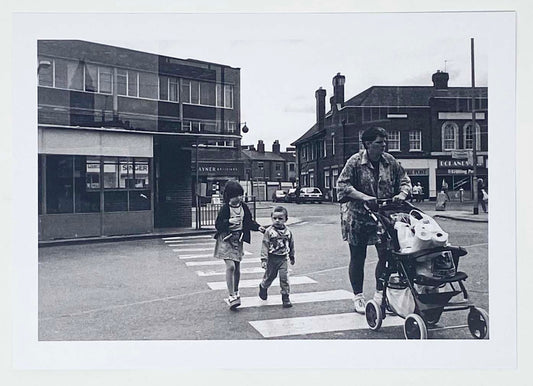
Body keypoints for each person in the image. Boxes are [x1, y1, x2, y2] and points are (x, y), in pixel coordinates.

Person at [336, 126, 411, 314]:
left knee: (387, 256)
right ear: (368, 144)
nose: (384, 145)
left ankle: (380, 295)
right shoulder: (354, 162)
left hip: (384, 217)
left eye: (385, 142)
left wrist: (402, 194)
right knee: (358, 257)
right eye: (379, 142)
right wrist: (363, 197)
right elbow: (342, 185)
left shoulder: (390, 161)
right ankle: (358, 297)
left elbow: (404, 180)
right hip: (358, 216)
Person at [213, 180, 265, 309]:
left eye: (241, 195)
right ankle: (231, 295)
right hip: (226, 239)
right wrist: (228, 221)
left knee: (237, 267)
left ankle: (236, 292)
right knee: (230, 266)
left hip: (238, 239)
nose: (240, 198)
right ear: (230, 196)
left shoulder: (244, 207)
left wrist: (258, 227)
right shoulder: (225, 208)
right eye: (237, 195)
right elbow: (218, 224)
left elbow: (248, 221)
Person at [258, 206, 295, 308]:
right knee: (270, 276)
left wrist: (292, 256)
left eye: (280, 218)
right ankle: (263, 286)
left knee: (284, 278)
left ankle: (285, 296)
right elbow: (265, 245)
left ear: (286, 219)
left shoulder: (288, 232)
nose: (277, 221)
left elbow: (291, 244)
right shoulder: (269, 231)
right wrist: (264, 259)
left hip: (283, 258)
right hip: (272, 258)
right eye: (275, 218)